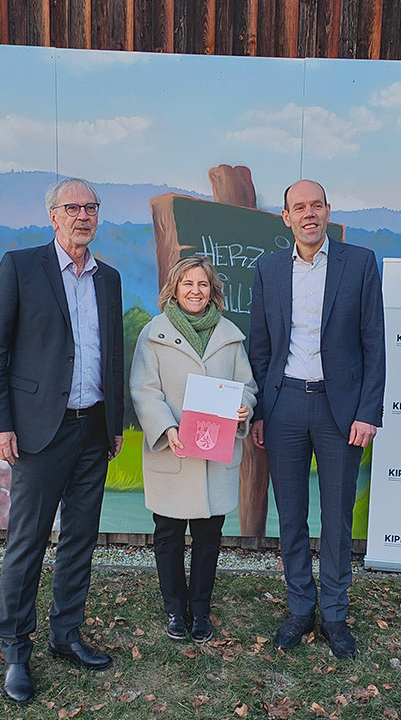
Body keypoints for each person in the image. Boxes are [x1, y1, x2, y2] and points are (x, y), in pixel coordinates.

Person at [0, 177, 124, 705]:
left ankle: (66, 634)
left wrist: (115, 425)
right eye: (72, 207)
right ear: (53, 215)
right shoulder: (21, 268)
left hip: (93, 427)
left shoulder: (108, 278)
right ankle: (16, 649)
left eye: (90, 207)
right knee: (28, 542)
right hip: (40, 430)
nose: (82, 215)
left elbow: (113, 354)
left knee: (81, 537)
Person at [248, 179, 385, 659]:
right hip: (284, 405)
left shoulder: (360, 264)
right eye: (297, 207)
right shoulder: (267, 270)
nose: (308, 214)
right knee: (291, 516)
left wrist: (368, 412)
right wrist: (262, 411)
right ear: (285, 217)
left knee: (337, 516)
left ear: (328, 210)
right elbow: (260, 348)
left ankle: (334, 614)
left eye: (315, 205)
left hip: (339, 409)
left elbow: (374, 344)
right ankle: (300, 607)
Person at [129, 256, 257, 644]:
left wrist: (243, 410)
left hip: (214, 458)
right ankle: (175, 610)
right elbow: (143, 389)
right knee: (167, 534)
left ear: (212, 289)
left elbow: (247, 386)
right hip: (174, 452)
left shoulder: (231, 336)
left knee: (208, 537)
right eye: (187, 284)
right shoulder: (153, 334)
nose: (195, 291)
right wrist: (166, 427)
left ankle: (200, 610)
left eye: (202, 284)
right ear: (174, 288)